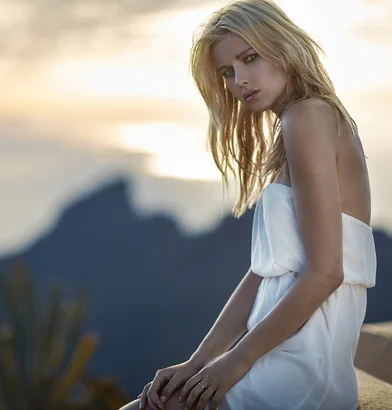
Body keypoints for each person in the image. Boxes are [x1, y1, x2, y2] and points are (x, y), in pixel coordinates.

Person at [120, 0, 376, 409]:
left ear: (283, 46)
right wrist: (199, 362)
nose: (239, 80)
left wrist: (233, 363)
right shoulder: (306, 121)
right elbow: (263, 274)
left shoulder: (306, 117)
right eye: (227, 72)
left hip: (302, 362)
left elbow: (327, 272)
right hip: (285, 351)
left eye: (249, 58)